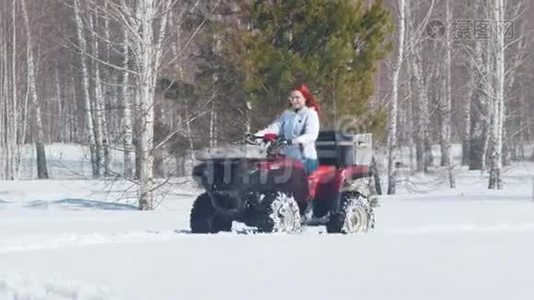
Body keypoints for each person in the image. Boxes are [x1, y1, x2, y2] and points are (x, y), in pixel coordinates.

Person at [255, 84, 320, 174]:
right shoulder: (287, 114)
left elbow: (311, 135)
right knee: (266, 169)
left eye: (297, 98)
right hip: (288, 158)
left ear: (305, 98)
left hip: (306, 159)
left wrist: (292, 141)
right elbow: (275, 127)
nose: (294, 101)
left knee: (291, 178)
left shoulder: (310, 114)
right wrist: (257, 136)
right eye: (292, 98)